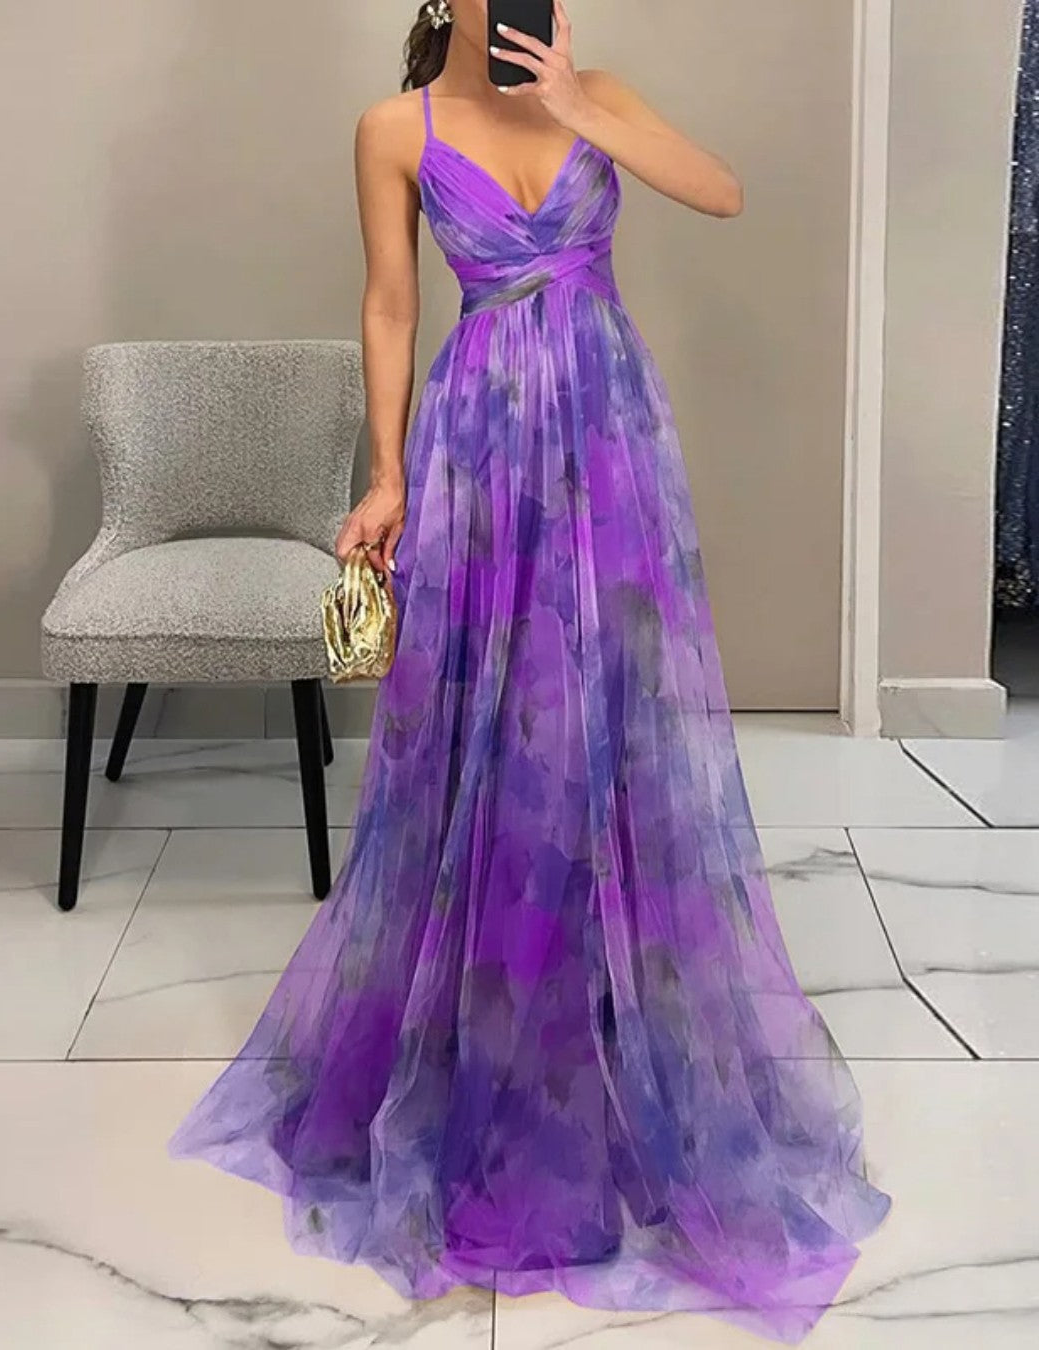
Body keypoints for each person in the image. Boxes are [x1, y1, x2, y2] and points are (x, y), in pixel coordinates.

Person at [169, 2, 892, 1341]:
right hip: (481, 441)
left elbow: (720, 191)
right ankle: (488, 1042)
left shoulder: (594, 88)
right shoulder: (393, 128)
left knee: (613, 726)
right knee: (489, 734)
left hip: (609, 432)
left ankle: (614, 1031)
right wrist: (387, 475)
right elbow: (391, 302)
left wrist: (576, 106)